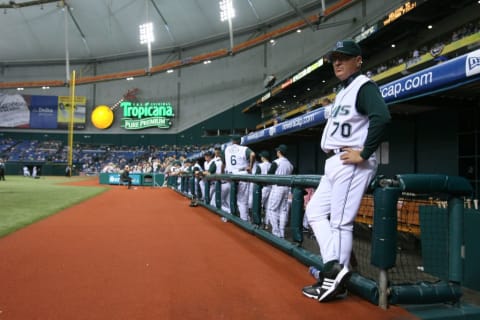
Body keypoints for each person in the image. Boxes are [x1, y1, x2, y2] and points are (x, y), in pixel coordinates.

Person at [302, 39, 391, 302]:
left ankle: (333, 281)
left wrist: (363, 153)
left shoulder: (364, 86)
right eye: (334, 58)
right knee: (315, 210)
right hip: (335, 161)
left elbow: (382, 117)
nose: (337, 62)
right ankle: (335, 268)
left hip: (351, 160)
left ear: (358, 60)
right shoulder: (343, 91)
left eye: (344, 57)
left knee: (340, 223)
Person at [223, 135, 256, 221]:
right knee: (242, 201)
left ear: (232, 141)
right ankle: (244, 221)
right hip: (242, 174)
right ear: (240, 141)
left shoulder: (227, 149)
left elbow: (223, 163)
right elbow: (252, 154)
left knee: (232, 198)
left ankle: (231, 217)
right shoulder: (244, 148)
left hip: (231, 175)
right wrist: (251, 166)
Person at [265, 144, 293, 238]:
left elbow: (269, 175)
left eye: (277, 151)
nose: (276, 152)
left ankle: (276, 232)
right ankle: (282, 233)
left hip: (277, 187)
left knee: (272, 209)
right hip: (286, 188)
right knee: (283, 210)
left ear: (279, 152)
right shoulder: (290, 164)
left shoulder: (276, 162)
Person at [257, 150, 272, 228]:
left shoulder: (260, 165)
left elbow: (256, 177)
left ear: (263, 157)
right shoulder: (272, 165)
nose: (261, 157)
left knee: (258, 205)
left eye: (261, 156)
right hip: (271, 188)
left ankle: (259, 222)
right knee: (268, 207)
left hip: (263, 188)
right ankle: (266, 224)